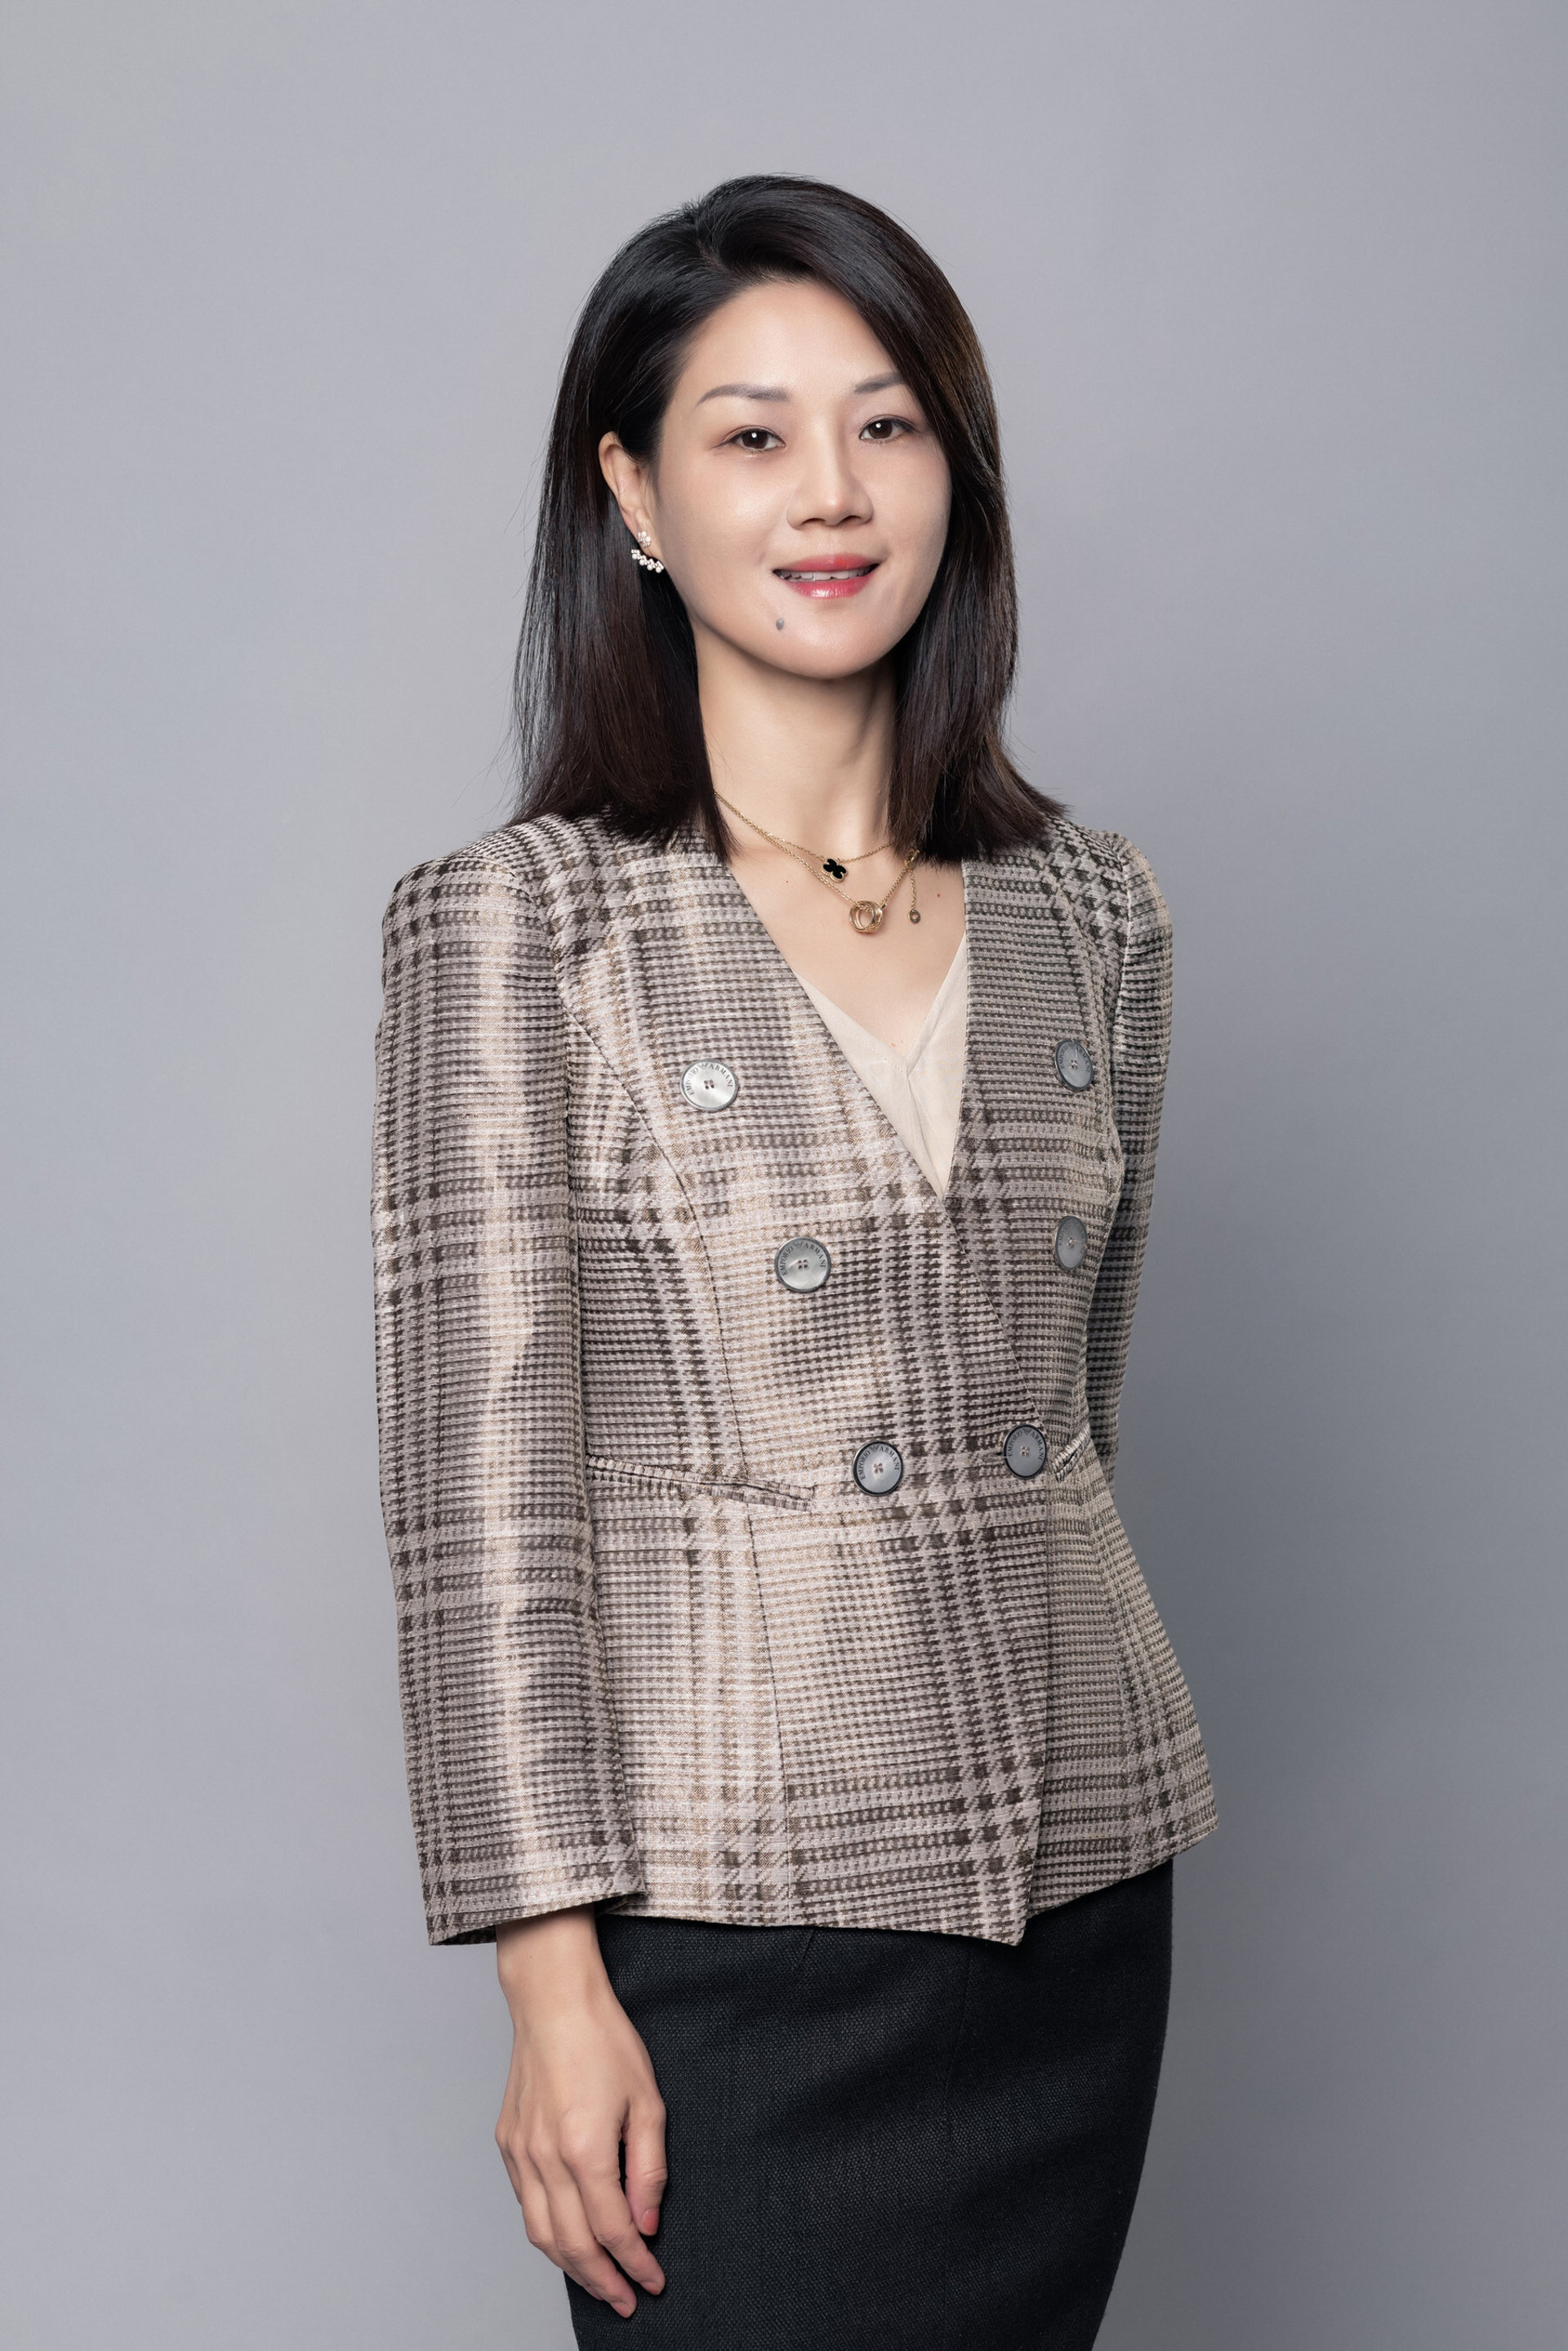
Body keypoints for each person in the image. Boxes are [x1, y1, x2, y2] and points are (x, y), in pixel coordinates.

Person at [372, 174, 1216, 2350]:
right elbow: (484, 1506)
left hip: (1078, 1879)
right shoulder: (525, 924)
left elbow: (1072, 1408)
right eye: (751, 435)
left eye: (887, 424)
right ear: (634, 496)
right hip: (731, 1906)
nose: (829, 491)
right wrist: (550, 1980)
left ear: (957, 475)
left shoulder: (1093, 907)